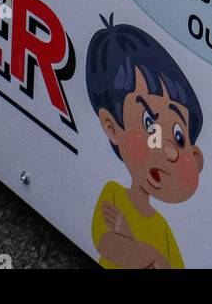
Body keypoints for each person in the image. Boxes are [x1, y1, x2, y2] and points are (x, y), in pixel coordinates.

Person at [85, 16, 205, 269]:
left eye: (179, 136)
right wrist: (150, 256)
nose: (170, 149)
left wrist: (143, 250)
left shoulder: (162, 227)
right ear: (111, 127)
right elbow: (104, 242)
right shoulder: (113, 194)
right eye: (149, 123)